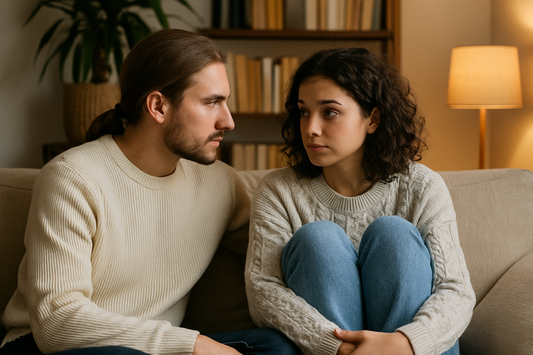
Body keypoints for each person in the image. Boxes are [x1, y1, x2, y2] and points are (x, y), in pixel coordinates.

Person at [0, 29, 299, 355]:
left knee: (275, 346)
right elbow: (57, 320)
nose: (228, 121)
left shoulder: (219, 184)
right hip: (49, 348)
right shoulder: (73, 178)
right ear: (158, 106)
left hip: (152, 349)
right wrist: (192, 344)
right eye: (212, 102)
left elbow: (281, 240)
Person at [245, 47, 476, 355]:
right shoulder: (279, 191)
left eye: (329, 112)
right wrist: (337, 345)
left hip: (414, 351)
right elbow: (263, 291)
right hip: (331, 351)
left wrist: (405, 343)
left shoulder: (422, 186)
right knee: (318, 238)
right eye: (303, 111)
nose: (310, 128)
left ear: (372, 119)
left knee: (393, 232)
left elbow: (456, 291)